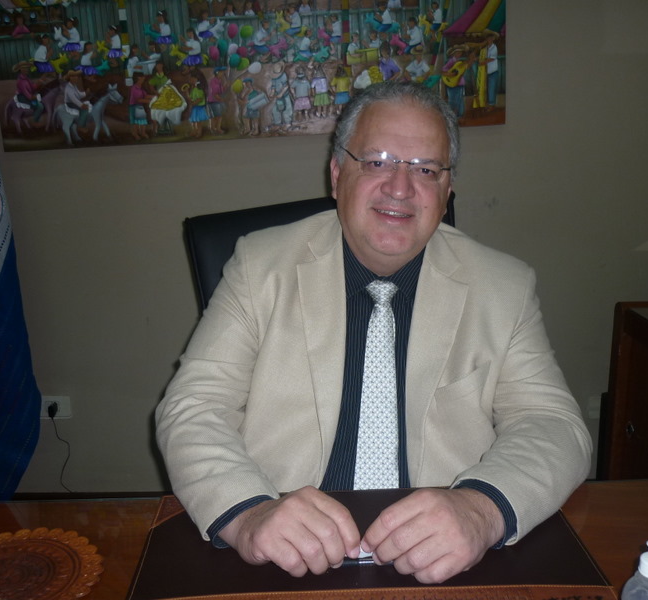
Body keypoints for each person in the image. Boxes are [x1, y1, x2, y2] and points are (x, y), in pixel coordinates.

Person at [156, 81, 591, 584]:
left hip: (443, 558)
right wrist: (248, 513)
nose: (400, 188)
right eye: (377, 161)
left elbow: (553, 424)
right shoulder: (259, 266)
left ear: (447, 190)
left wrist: (481, 510)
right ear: (337, 173)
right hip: (286, 553)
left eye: (425, 169)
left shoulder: (504, 287)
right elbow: (194, 407)